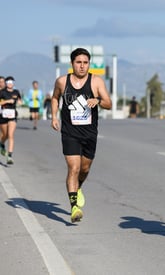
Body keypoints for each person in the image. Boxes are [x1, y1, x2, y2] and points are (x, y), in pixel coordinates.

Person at [51, 48, 112, 223]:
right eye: (79, 62)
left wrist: (98, 101)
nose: (82, 66)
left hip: (90, 134)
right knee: (74, 168)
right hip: (69, 132)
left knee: (84, 169)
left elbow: (108, 103)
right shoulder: (62, 81)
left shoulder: (96, 82)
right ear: (72, 64)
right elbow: (55, 98)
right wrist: (54, 116)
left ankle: (78, 188)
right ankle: (74, 208)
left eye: (85, 62)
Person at [0, 76, 22, 165]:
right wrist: (7, 101)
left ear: (13, 83)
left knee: (10, 135)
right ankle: (1, 144)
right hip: (3, 116)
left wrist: (20, 102)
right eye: (8, 82)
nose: (10, 83)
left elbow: (20, 100)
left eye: (11, 82)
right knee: (5, 134)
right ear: (6, 83)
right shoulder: (2, 92)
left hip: (13, 116)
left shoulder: (16, 92)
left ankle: (9, 156)